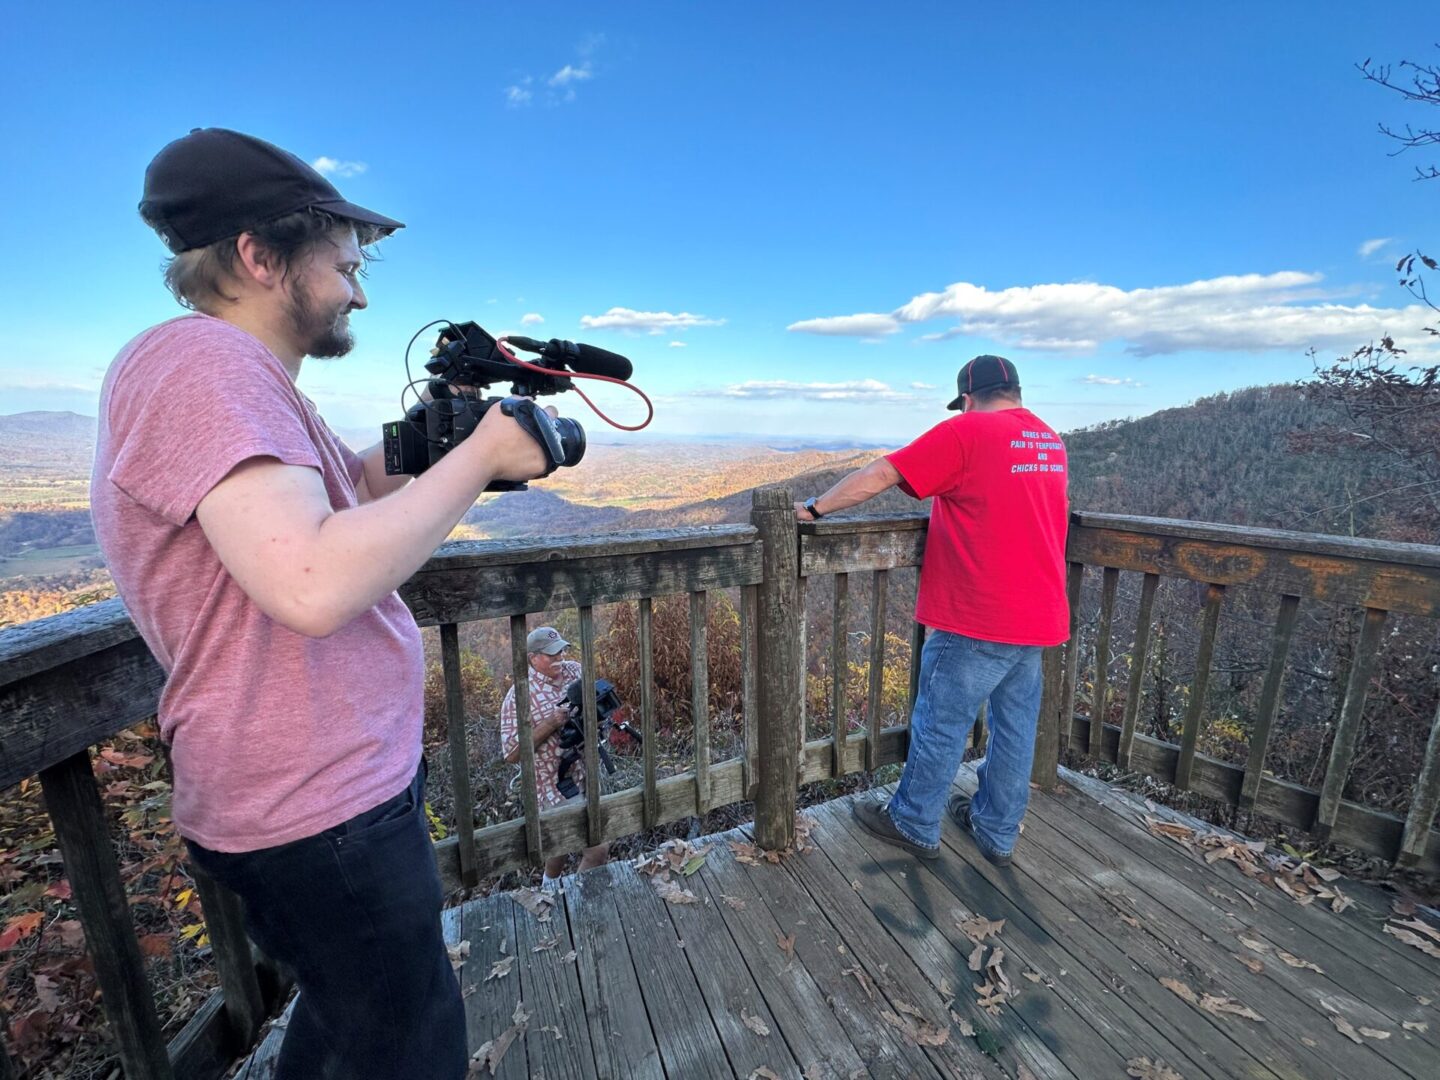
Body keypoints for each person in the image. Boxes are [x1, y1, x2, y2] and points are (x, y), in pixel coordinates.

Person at [90, 128, 556, 1080]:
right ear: (259, 256)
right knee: (407, 1043)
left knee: (355, 1024)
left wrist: (439, 439)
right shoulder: (203, 366)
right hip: (312, 802)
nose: (360, 292)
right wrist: (481, 461)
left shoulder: (240, 378)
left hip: (327, 786)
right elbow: (309, 580)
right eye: (344, 267)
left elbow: (336, 490)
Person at [795, 354, 1069, 867]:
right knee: (1014, 729)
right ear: (1016, 392)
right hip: (1040, 615)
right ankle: (996, 830)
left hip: (979, 613)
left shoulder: (967, 432)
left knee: (941, 721)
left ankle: (914, 820)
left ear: (968, 397)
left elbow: (881, 473)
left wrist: (811, 510)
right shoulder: (1050, 440)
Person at [500, 626, 610, 887]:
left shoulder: (574, 670)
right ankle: (576, 900)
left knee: (559, 841)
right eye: (551, 655)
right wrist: (550, 724)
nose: (559, 659)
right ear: (533, 658)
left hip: (583, 771)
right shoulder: (518, 697)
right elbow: (512, 755)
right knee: (598, 848)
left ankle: (549, 886)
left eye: (561, 651)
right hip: (550, 785)